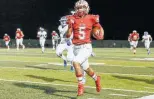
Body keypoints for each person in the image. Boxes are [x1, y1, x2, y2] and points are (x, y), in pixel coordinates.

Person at [66, 0, 104, 96]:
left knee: (75, 62)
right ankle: (96, 78)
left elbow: (99, 28)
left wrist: (99, 34)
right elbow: (68, 35)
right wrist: (69, 27)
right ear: (75, 9)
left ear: (87, 8)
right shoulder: (72, 18)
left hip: (86, 46)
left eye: (82, 7)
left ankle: (80, 85)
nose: (80, 9)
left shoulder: (92, 18)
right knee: (86, 68)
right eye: (78, 8)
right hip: (76, 47)